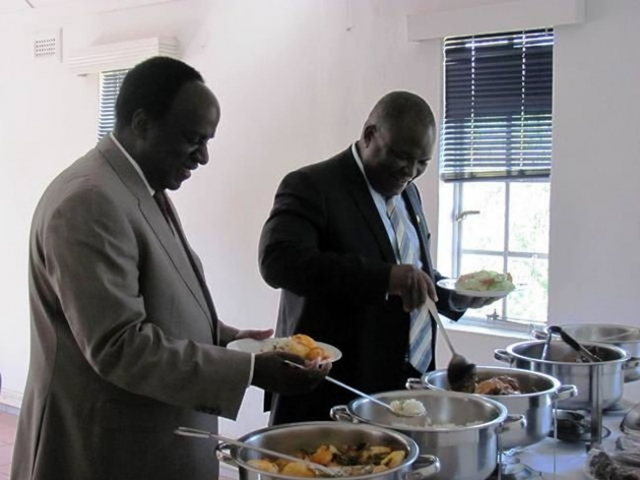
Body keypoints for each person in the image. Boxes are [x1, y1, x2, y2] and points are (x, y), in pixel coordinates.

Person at [11, 56, 327, 480]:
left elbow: (156, 300)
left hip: (150, 441)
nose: (204, 156)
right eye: (193, 139)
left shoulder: (136, 187)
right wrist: (249, 370)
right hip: (103, 451)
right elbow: (118, 345)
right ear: (142, 123)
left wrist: (228, 339)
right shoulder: (89, 201)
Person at [259, 91, 498, 425]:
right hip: (333, 389)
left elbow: (408, 268)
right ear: (370, 135)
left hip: (405, 389)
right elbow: (278, 261)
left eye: (422, 163)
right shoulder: (312, 185)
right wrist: (385, 277)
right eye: (401, 157)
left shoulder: (408, 192)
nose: (410, 171)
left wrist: (453, 297)